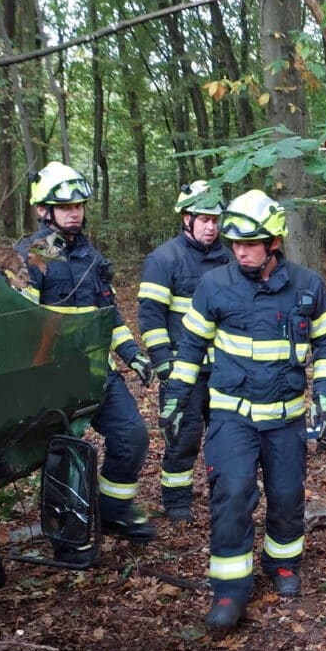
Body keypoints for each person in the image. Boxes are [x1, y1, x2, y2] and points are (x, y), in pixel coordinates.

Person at [159, 189, 326, 634]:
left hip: (285, 418)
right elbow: (192, 346)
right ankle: (230, 586)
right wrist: (176, 395)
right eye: (234, 243)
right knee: (233, 492)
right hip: (231, 417)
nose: (239, 250)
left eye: (249, 243)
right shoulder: (214, 285)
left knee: (286, 493)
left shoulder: (308, 285)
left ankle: (283, 562)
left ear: (273, 241)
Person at [16, 162, 156, 553]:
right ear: (44, 210)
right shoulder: (32, 257)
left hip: (98, 372)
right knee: (65, 455)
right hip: (54, 377)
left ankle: (113, 511)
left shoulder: (91, 258)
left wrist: (132, 355)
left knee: (132, 435)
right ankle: (68, 535)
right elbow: (21, 322)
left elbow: (107, 315)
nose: (75, 212)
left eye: (78, 205)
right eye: (65, 206)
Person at [138, 181, 230, 523]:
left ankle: (223, 498)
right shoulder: (163, 259)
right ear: (186, 218)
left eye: (215, 219)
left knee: (225, 439)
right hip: (182, 371)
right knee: (183, 437)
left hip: (224, 371)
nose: (211, 226)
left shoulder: (230, 259)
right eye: (203, 219)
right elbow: (150, 316)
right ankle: (177, 503)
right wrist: (164, 364)